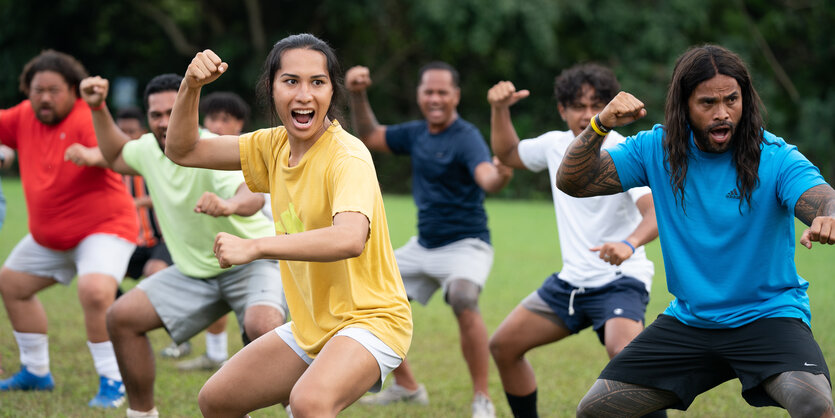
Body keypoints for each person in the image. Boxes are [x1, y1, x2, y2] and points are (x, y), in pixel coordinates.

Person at [555, 45, 835, 417]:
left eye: (732, 100)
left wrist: (829, 214)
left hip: (768, 317)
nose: (722, 114)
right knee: (597, 409)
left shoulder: (776, 156)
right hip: (691, 321)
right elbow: (572, 181)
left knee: (814, 403)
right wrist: (600, 123)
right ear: (683, 104)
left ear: (745, 100)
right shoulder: (656, 149)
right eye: (707, 103)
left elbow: (822, 198)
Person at [164, 34, 412, 418]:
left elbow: (349, 238)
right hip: (311, 326)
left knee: (309, 403)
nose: (304, 95)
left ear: (332, 91)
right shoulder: (272, 147)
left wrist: (256, 246)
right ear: (271, 88)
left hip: (372, 320)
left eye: (318, 82)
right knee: (217, 401)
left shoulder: (348, 157)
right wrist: (190, 86)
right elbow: (182, 149)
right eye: (291, 81)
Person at [79, 73, 288, 418]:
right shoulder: (147, 149)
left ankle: (304, 410)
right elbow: (115, 154)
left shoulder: (208, 145)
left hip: (250, 261)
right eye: (155, 114)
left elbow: (251, 193)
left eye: (171, 111)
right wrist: (98, 107)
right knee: (121, 318)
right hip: (193, 273)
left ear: (188, 109)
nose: (163, 122)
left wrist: (229, 206)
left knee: (263, 327)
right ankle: (143, 414)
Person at [486, 64, 662, 418]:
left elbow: (655, 212)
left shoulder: (622, 151)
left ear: (611, 108)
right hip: (571, 283)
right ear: (562, 110)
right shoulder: (555, 145)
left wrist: (628, 244)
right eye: (577, 106)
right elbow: (507, 153)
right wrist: (499, 109)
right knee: (503, 346)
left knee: (626, 357)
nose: (587, 115)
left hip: (620, 281)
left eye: (596, 105)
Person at [346, 62, 513, 418]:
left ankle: (482, 398)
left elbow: (487, 178)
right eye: (429, 92)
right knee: (365, 296)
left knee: (463, 297)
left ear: (456, 96)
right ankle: (407, 386)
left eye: (442, 92)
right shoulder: (418, 133)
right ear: (419, 95)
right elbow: (371, 135)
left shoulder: (466, 137)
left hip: (467, 245)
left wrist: (500, 176)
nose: (435, 99)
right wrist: (358, 94)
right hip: (422, 246)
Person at [0, 50, 138, 408]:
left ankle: (113, 380)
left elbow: (116, 152)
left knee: (94, 292)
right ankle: (35, 372)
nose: (44, 97)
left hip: (104, 227)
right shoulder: (22, 117)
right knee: (12, 284)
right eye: (37, 89)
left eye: (54, 90)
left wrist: (94, 155)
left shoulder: (87, 116)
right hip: (51, 236)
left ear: (73, 90)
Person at [175, 91, 253, 372]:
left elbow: (254, 199)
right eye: (212, 119)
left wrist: (230, 204)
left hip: (265, 243)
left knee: (260, 319)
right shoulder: (201, 155)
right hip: (224, 243)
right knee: (217, 290)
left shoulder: (250, 153)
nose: (217, 126)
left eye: (226, 119)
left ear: (240, 125)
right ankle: (216, 354)